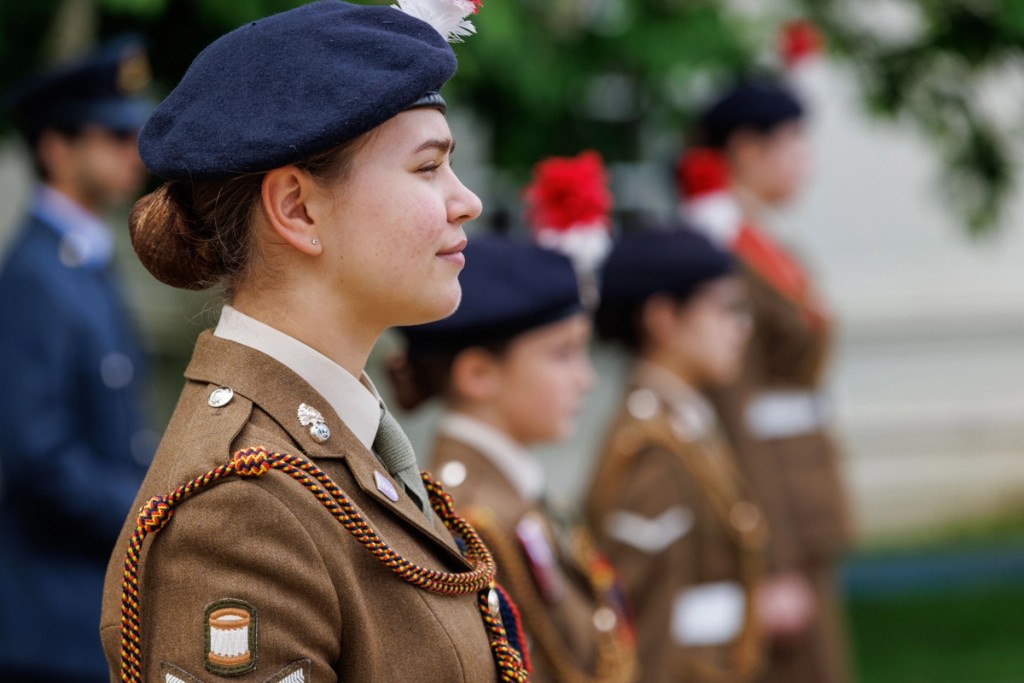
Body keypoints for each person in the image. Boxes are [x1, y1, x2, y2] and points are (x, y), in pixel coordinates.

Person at [97, 2, 532, 682]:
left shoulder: (334, 448)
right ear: (298, 209)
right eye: (427, 168)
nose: (466, 199)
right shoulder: (240, 509)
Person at [392, 234, 639, 683]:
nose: (586, 378)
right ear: (478, 374)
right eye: (562, 353)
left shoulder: (512, 492)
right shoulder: (470, 516)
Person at [676, 76, 852, 683]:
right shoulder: (721, 251)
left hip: (797, 501)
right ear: (747, 150)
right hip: (771, 509)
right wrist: (771, 560)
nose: (808, 160)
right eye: (794, 141)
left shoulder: (758, 242)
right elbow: (735, 410)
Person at [0, 36, 153, 682]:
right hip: (48, 624)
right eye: (113, 137)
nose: (133, 153)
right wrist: (150, 514)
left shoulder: (84, 262)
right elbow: (38, 455)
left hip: (84, 612)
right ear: (56, 148)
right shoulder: (37, 274)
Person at [585, 228, 772, 683]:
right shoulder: (653, 449)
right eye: (726, 307)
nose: (742, 327)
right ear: (663, 317)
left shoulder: (682, 424)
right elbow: (646, 626)